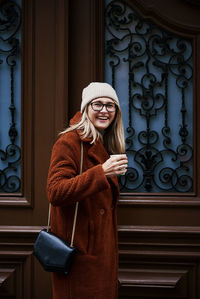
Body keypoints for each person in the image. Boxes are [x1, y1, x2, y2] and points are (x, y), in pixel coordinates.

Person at [46, 82, 128, 299]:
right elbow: (55, 192)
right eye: (97, 104)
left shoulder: (104, 142)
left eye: (111, 106)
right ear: (85, 109)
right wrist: (101, 172)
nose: (104, 110)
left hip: (101, 254)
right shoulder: (69, 142)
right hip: (80, 256)